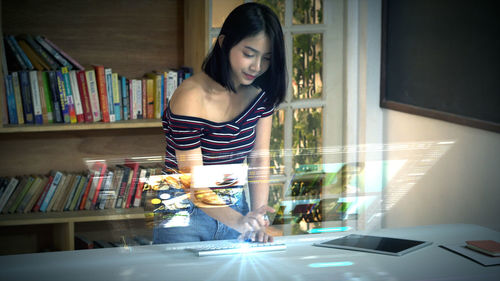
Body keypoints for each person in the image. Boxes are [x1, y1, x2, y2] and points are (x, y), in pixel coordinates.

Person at [153, 3, 286, 244]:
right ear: (224, 43)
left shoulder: (261, 93)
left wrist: (258, 218)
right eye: (249, 54)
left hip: (236, 203)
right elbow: (191, 181)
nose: (257, 67)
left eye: (266, 58)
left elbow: (259, 157)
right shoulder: (190, 97)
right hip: (182, 208)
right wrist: (238, 222)